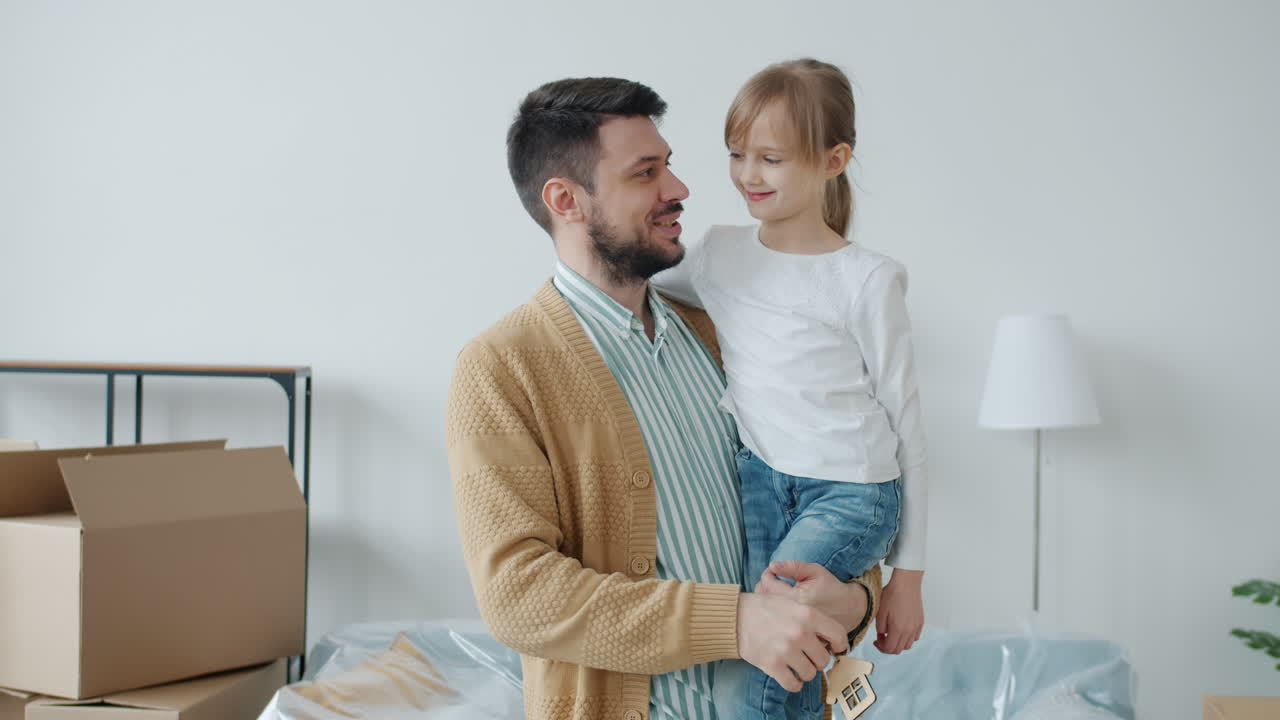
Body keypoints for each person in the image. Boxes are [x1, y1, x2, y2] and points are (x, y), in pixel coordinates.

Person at [446, 76, 882, 720]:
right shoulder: (501, 368)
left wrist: (857, 599)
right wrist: (733, 622)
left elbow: (825, 480)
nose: (678, 190)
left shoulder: (721, 332)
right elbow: (519, 594)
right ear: (566, 200)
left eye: (669, 165)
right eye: (645, 173)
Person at [653, 58, 929, 720]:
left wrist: (907, 579)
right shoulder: (719, 254)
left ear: (835, 160)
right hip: (758, 482)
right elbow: (637, 285)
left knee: (770, 667)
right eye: (737, 153)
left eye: (771, 158)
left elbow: (908, 423)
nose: (749, 174)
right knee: (782, 651)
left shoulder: (867, 279)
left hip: (852, 492)